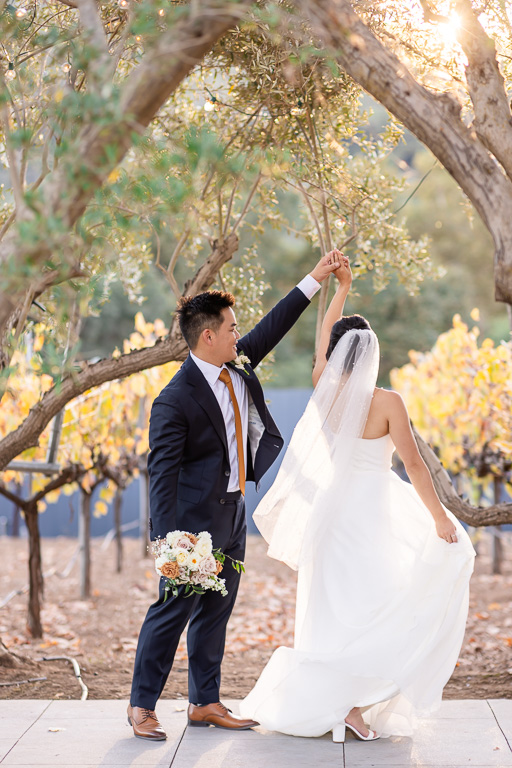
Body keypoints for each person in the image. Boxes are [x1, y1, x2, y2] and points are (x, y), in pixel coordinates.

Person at [240, 251, 475, 742]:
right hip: (373, 515)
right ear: (371, 353)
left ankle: (342, 707)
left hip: (331, 515)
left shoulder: (323, 390)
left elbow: (322, 342)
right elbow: (413, 465)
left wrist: (339, 288)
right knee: (378, 604)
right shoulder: (388, 402)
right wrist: (439, 518)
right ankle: (353, 706)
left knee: (333, 609)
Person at [127, 253, 343, 740]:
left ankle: (204, 702)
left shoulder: (238, 365)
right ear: (208, 336)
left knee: (214, 615)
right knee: (172, 613)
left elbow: (276, 324)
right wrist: (167, 544)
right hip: (189, 529)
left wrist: (317, 276)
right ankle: (141, 706)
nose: (237, 335)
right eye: (230, 328)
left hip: (232, 517)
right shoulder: (174, 400)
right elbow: (159, 475)